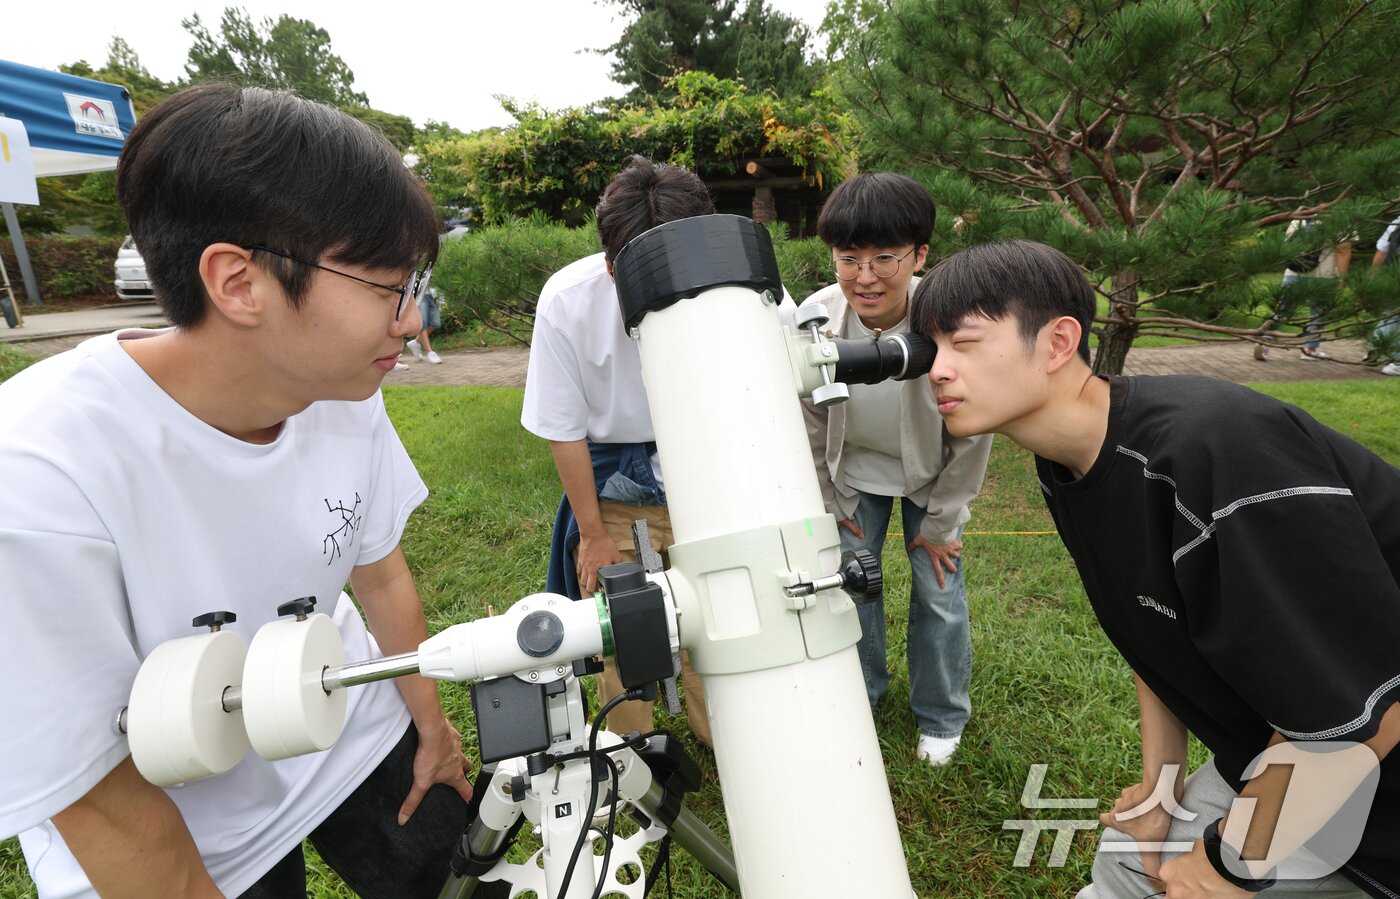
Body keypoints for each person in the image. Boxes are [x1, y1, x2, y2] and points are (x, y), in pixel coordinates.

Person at [0, 84, 505, 899]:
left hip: (338, 709)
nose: (413, 322)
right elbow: (106, 806)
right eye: (387, 288)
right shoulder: (35, 476)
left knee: (471, 880)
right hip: (180, 810)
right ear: (238, 282)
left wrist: (430, 722)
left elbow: (379, 572)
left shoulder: (342, 391)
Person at [912, 239, 1399, 897]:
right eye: (932, 347)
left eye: (963, 343)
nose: (936, 369)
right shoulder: (1071, 464)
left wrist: (1229, 864)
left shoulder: (1222, 450)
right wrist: (1157, 788)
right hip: (1282, 749)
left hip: (1367, 787)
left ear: (1058, 343)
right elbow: (1152, 629)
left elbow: (1367, 711)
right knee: (1125, 865)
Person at [521, 156, 714, 746]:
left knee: (717, 613)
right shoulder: (567, 301)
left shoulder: (746, 290)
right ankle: (629, 752)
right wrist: (593, 534)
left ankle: (727, 737)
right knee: (622, 625)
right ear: (611, 265)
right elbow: (563, 429)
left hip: (711, 472)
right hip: (618, 484)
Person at [801, 173, 993, 767]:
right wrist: (829, 497)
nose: (865, 277)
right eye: (848, 258)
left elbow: (973, 429)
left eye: (885, 258)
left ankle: (941, 717)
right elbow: (809, 418)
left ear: (920, 254)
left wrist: (942, 522)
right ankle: (860, 696)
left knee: (938, 589)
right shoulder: (816, 319)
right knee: (850, 585)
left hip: (932, 476)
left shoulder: (950, 320)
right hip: (852, 473)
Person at [1254, 219, 1352, 361]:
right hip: (1324, 274)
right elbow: (1343, 251)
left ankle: (1265, 341)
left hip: (1294, 272)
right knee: (1318, 313)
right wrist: (1342, 279)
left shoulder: (1300, 218)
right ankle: (1310, 349)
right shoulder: (1343, 219)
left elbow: (1289, 246)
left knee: (1283, 310)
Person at [1367, 215, 1400, 377]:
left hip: (1391, 276)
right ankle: (1397, 362)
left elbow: (1381, 250)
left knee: (1389, 315)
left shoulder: (1397, 220)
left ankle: (1377, 348)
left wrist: (1373, 276)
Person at [405, 284, 444, 364]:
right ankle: (430, 352)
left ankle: (415, 342)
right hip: (419, 292)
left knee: (435, 323)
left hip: (433, 293)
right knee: (423, 323)